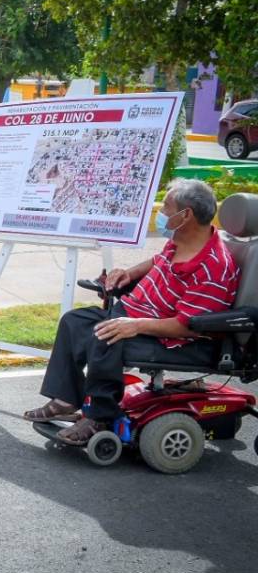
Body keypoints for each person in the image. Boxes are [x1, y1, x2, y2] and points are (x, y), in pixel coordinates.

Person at [24, 179, 239, 445]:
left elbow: (187, 325)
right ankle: (66, 399)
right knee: (73, 321)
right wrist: (128, 274)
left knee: (106, 335)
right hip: (137, 313)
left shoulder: (214, 266)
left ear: (186, 215)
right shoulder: (180, 241)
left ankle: (98, 416)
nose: (161, 213)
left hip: (175, 338)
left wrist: (135, 325)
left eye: (167, 207)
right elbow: (156, 261)